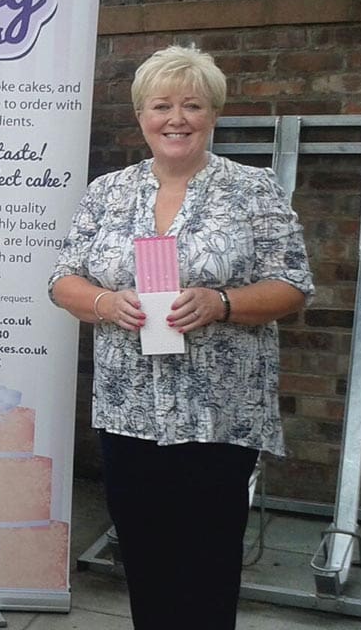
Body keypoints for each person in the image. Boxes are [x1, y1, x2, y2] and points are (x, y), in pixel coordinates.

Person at [48, 45, 313, 630]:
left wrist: (222, 303)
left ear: (212, 113)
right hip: (128, 411)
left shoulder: (253, 189)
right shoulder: (107, 192)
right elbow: (61, 279)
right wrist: (104, 302)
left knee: (208, 562)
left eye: (192, 105)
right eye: (161, 105)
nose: (177, 119)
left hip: (219, 413)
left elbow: (293, 285)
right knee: (144, 557)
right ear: (141, 115)